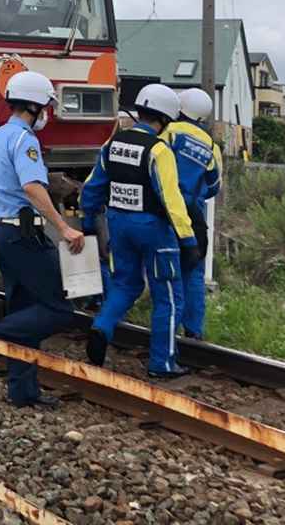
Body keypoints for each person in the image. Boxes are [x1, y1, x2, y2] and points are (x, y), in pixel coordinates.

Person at [0, 70, 86, 409]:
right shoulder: (25, 140)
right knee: (60, 306)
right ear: (35, 106)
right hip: (23, 234)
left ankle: (23, 392)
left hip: (2, 232)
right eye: (46, 107)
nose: (47, 114)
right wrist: (63, 228)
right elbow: (32, 186)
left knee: (24, 308)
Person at [80, 83, 200, 378]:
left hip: (118, 225)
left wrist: (88, 222)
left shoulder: (114, 144)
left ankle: (101, 327)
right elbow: (170, 198)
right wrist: (188, 238)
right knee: (169, 296)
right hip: (153, 230)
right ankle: (163, 363)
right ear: (165, 118)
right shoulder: (159, 150)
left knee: (125, 285)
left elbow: (92, 186)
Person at [166, 87, 223, 340]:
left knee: (169, 269)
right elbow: (214, 186)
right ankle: (194, 332)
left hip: (165, 210)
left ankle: (169, 329)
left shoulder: (169, 134)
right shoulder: (212, 147)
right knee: (194, 272)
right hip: (196, 214)